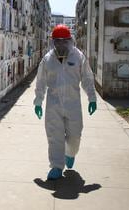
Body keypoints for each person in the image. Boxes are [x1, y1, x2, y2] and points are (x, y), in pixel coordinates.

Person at [34, 24, 97, 180]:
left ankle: (70, 153)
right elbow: (40, 81)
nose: (61, 44)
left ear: (70, 41)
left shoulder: (78, 57)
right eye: (57, 41)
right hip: (53, 104)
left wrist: (92, 98)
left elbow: (87, 78)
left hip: (73, 104)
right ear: (53, 42)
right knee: (54, 137)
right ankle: (56, 166)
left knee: (75, 135)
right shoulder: (47, 59)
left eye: (64, 41)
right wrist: (38, 101)